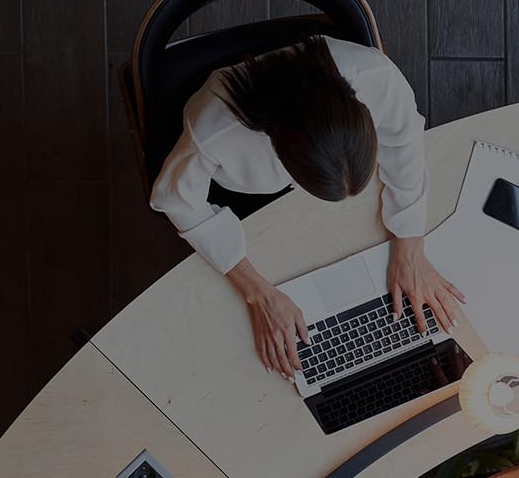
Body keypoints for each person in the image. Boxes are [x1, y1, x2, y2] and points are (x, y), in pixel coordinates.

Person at [150, 35, 464, 380]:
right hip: (245, 198)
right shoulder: (214, 131)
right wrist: (259, 293)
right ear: (278, 149)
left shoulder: (375, 74)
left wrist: (409, 242)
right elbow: (174, 200)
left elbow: (404, 141)